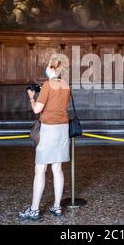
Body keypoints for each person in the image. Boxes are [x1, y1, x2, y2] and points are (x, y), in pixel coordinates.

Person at [19, 55, 71, 221]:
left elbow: (37, 110)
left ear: (53, 68)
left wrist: (31, 97)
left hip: (48, 129)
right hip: (63, 128)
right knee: (57, 168)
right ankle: (56, 207)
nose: (47, 67)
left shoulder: (48, 85)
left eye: (49, 65)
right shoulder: (66, 85)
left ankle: (34, 210)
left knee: (40, 169)